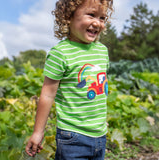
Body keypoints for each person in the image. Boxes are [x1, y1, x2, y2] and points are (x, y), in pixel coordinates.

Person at [25, 0, 113, 159]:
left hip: (100, 135)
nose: (97, 23)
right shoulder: (61, 53)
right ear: (68, 17)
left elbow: (100, 90)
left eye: (102, 18)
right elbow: (47, 95)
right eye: (92, 15)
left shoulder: (102, 50)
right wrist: (38, 132)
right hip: (73, 137)